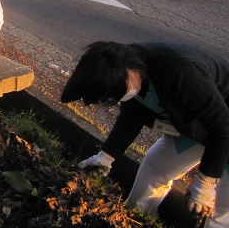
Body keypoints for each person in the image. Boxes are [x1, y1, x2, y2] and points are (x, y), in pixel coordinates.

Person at [61, 41, 229, 228]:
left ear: (131, 68)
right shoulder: (129, 73)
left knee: (221, 213)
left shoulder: (180, 71)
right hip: (199, 126)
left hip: (223, 127)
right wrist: (106, 156)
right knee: (154, 168)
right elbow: (132, 116)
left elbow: (223, 128)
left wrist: (206, 181)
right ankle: (134, 220)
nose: (120, 97)